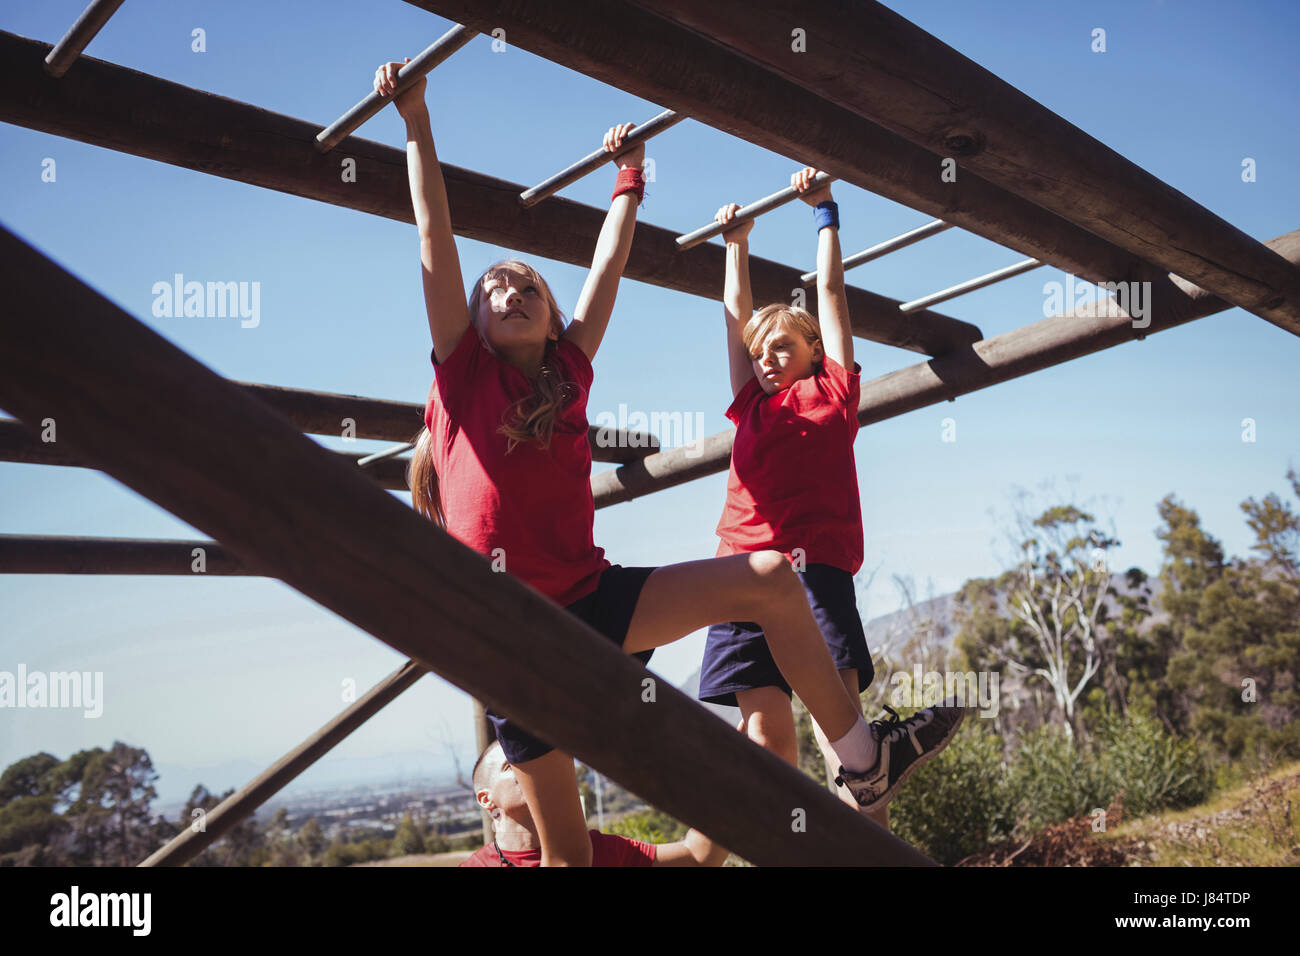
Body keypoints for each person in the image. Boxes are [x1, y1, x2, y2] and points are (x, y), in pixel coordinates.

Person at [383, 59, 902, 867]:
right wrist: (416, 121)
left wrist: (630, 179)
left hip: (593, 603)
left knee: (767, 578)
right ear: (471, 326)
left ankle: (865, 763)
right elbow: (432, 238)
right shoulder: (462, 376)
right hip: (513, 640)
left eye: (526, 286)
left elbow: (609, 268)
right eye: (492, 291)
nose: (507, 291)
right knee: (571, 862)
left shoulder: (568, 371)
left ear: (554, 320)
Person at [699, 168, 965, 818]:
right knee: (763, 725)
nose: (765, 358)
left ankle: (865, 829)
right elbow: (736, 318)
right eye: (759, 351)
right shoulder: (748, 405)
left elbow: (831, 290)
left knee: (837, 724)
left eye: (782, 346)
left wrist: (824, 212)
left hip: (813, 567)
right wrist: (736, 244)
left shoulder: (833, 392)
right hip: (738, 569)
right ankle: (788, 834)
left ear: (815, 350)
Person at [460, 741, 728, 867]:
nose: (533, 771)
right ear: (486, 799)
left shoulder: (601, 849)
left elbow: (697, 857)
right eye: (512, 765)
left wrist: (733, 782)